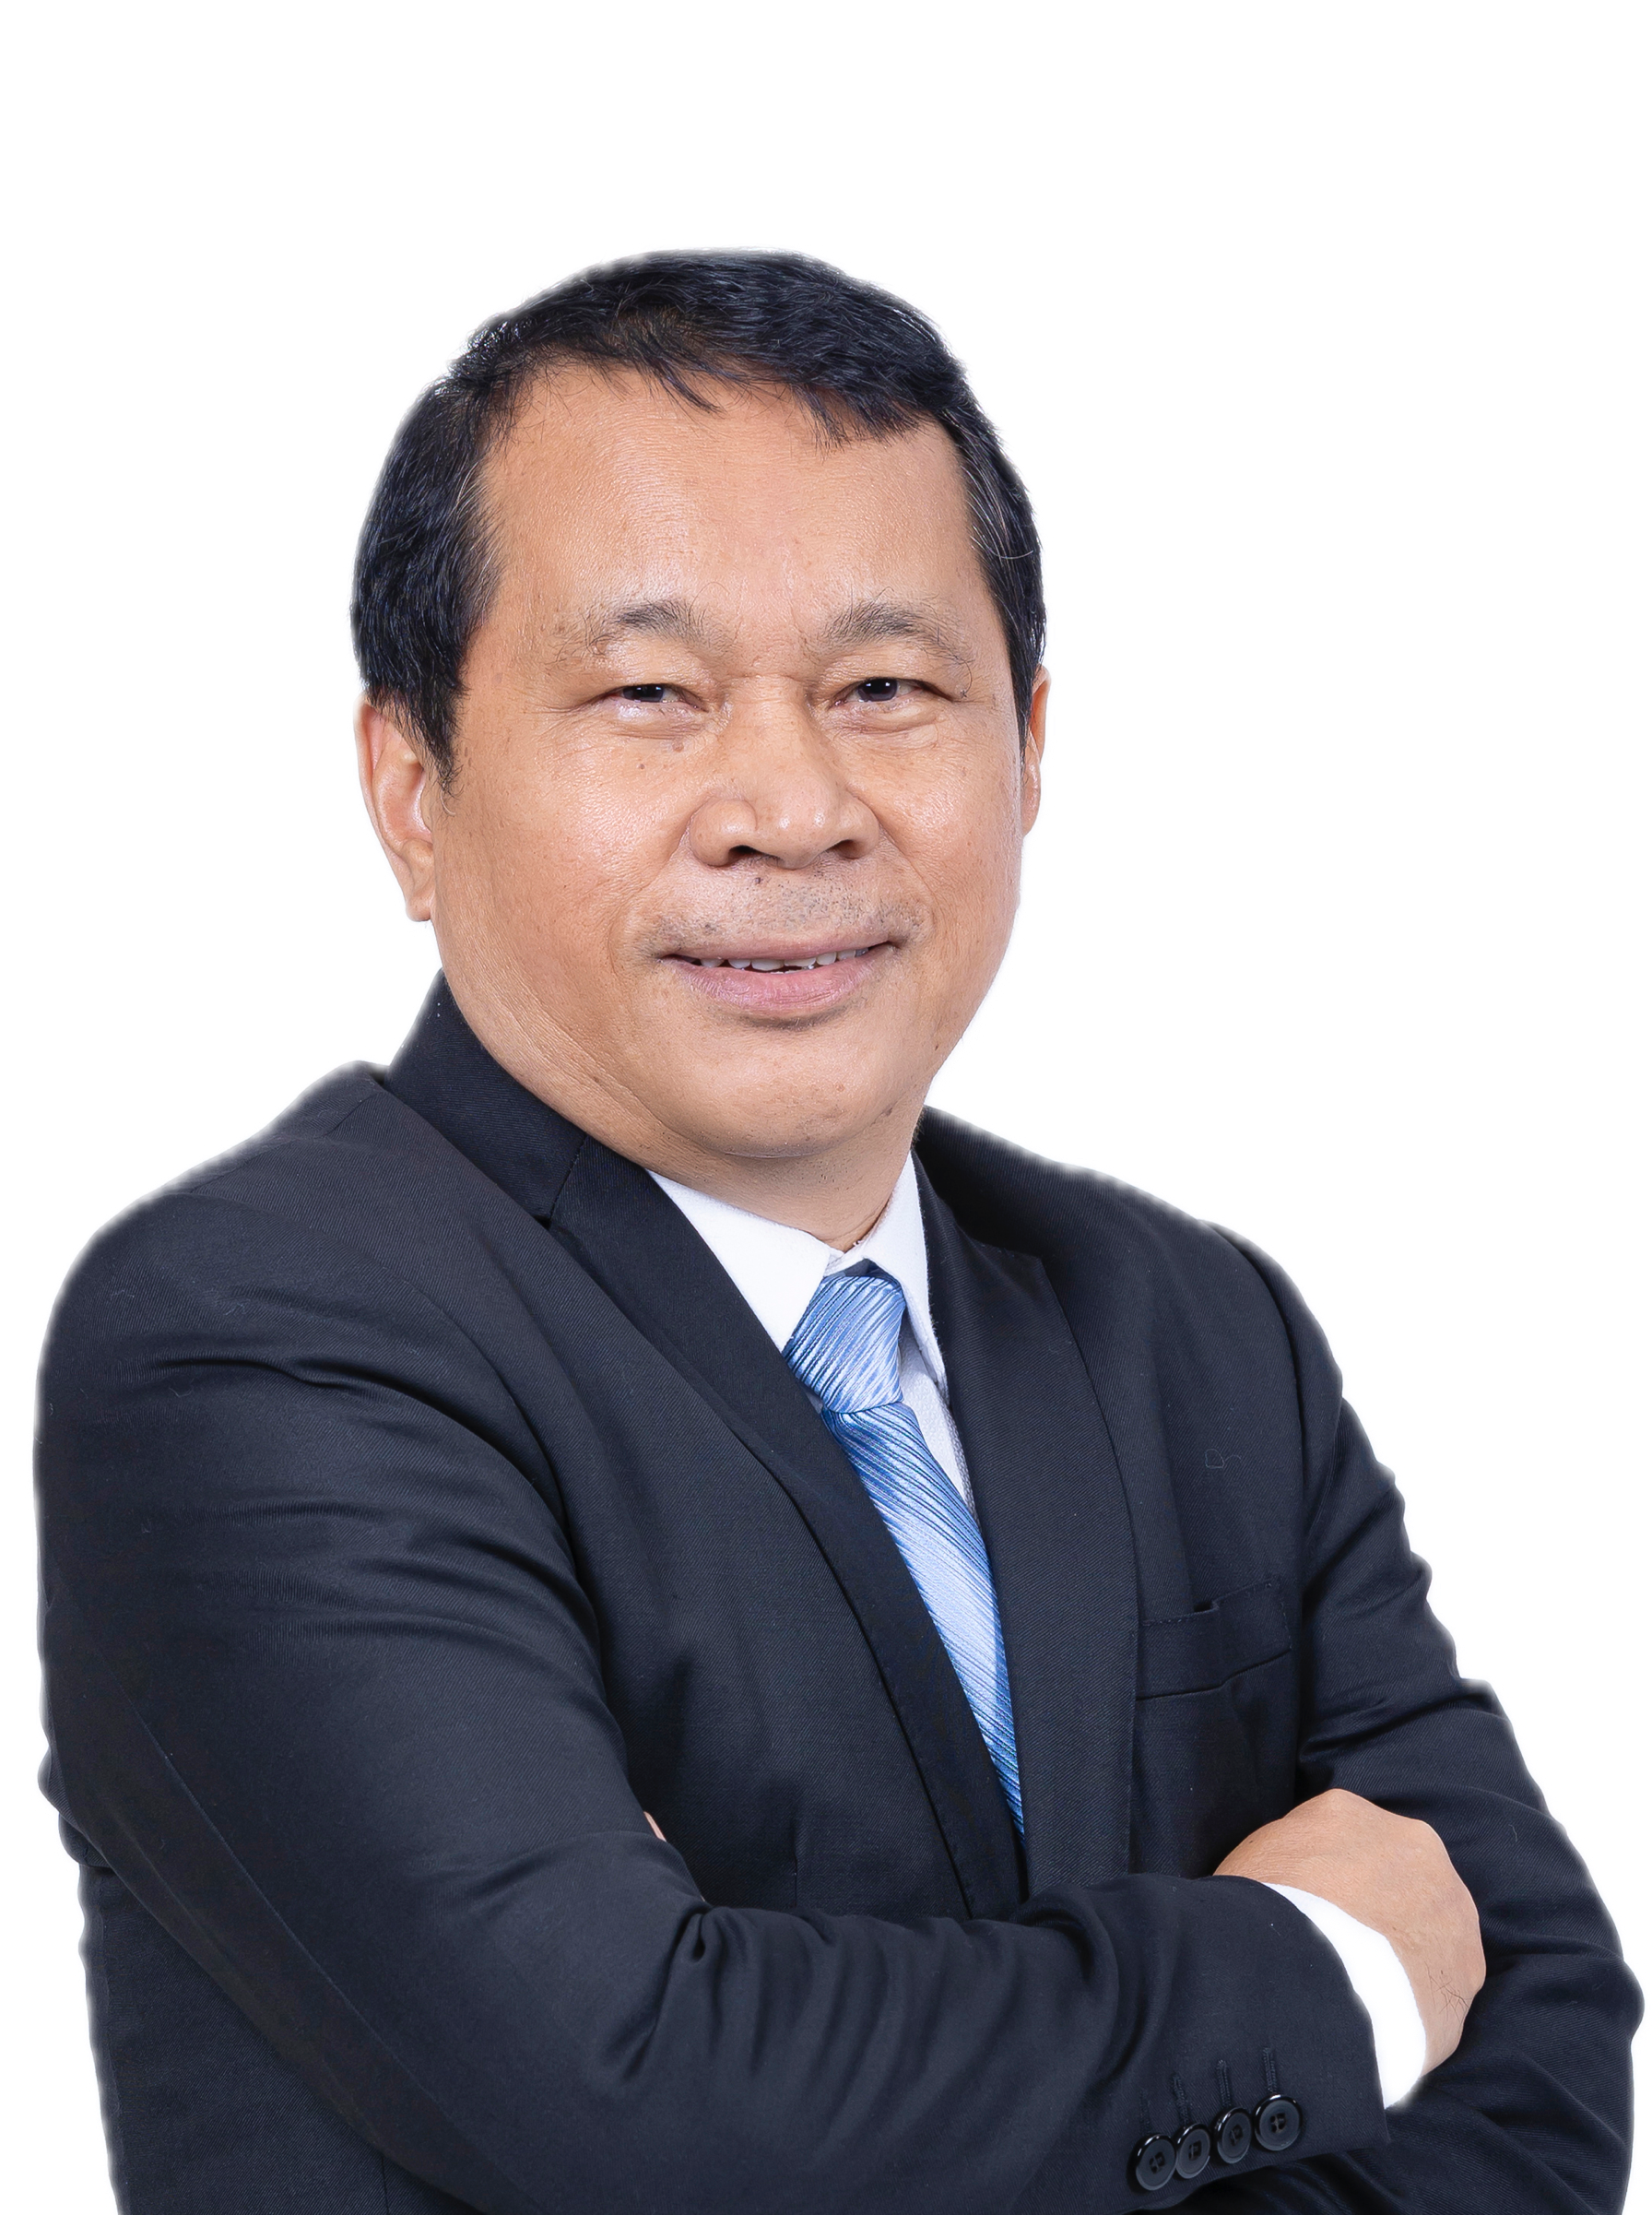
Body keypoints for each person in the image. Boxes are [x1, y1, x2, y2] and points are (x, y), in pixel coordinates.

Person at [30, 243, 1641, 2213]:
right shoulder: (246, 1330)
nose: (791, 807)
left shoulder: (1195, 1315)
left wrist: (832, 2062)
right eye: (650, 693)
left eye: (886, 689)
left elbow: (1543, 2028)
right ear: (409, 786)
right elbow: (643, 2105)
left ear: (1032, 745)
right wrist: (1319, 1972)